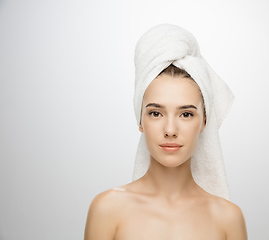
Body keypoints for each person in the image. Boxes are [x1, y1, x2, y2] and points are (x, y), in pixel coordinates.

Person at [84, 24, 247, 240]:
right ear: (140, 120)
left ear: (204, 122)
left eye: (186, 114)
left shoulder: (228, 218)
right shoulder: (107, 209)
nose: (170, 130)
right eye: (156, 113)